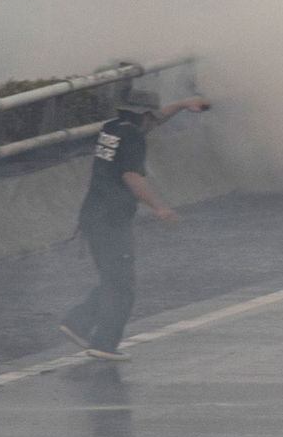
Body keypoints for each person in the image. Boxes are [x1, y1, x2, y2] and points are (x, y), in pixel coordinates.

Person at [60, 90, 211, 361]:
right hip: (110, 219)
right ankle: (104, 343)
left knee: (113, 278)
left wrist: (184, 104)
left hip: (94, 215)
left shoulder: (113, 128)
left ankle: (77, 323)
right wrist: (160, 207)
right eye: (152, 118)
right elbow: (131, 176)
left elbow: (157, 118)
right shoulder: (133, 139)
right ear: (145, 116)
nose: (155, 123)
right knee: (122, 285)